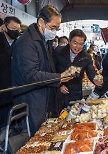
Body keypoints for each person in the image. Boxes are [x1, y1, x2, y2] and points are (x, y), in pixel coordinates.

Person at [12, 5, 71, 136]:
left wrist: (59, 79)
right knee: (35, 137)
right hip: (31, 98)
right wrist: (58, 77)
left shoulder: (44, 39)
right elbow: (30, 74)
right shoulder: (27, 42)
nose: (54, 32)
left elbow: (48, 66)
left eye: (57, 28)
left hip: (43, 94)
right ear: (41, 22)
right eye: (52, 27)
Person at [0, 16, 21, 135]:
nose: (16, 31)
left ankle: (6, 145)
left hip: (13, 89)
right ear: (4, 27)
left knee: (9, 121)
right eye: (13, 28)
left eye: (18, 29)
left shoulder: (19, 43)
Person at [53, 29, 103, 108]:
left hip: (76, 94)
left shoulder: (86, 57)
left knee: (74, 117)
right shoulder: (58, 52)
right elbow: (52, 70)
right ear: (69, 41)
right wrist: (59, 85)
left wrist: (95, 79)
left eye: (81, 44)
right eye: (75, 43)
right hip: (58, 93)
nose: (78, 47)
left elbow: (91, 71)